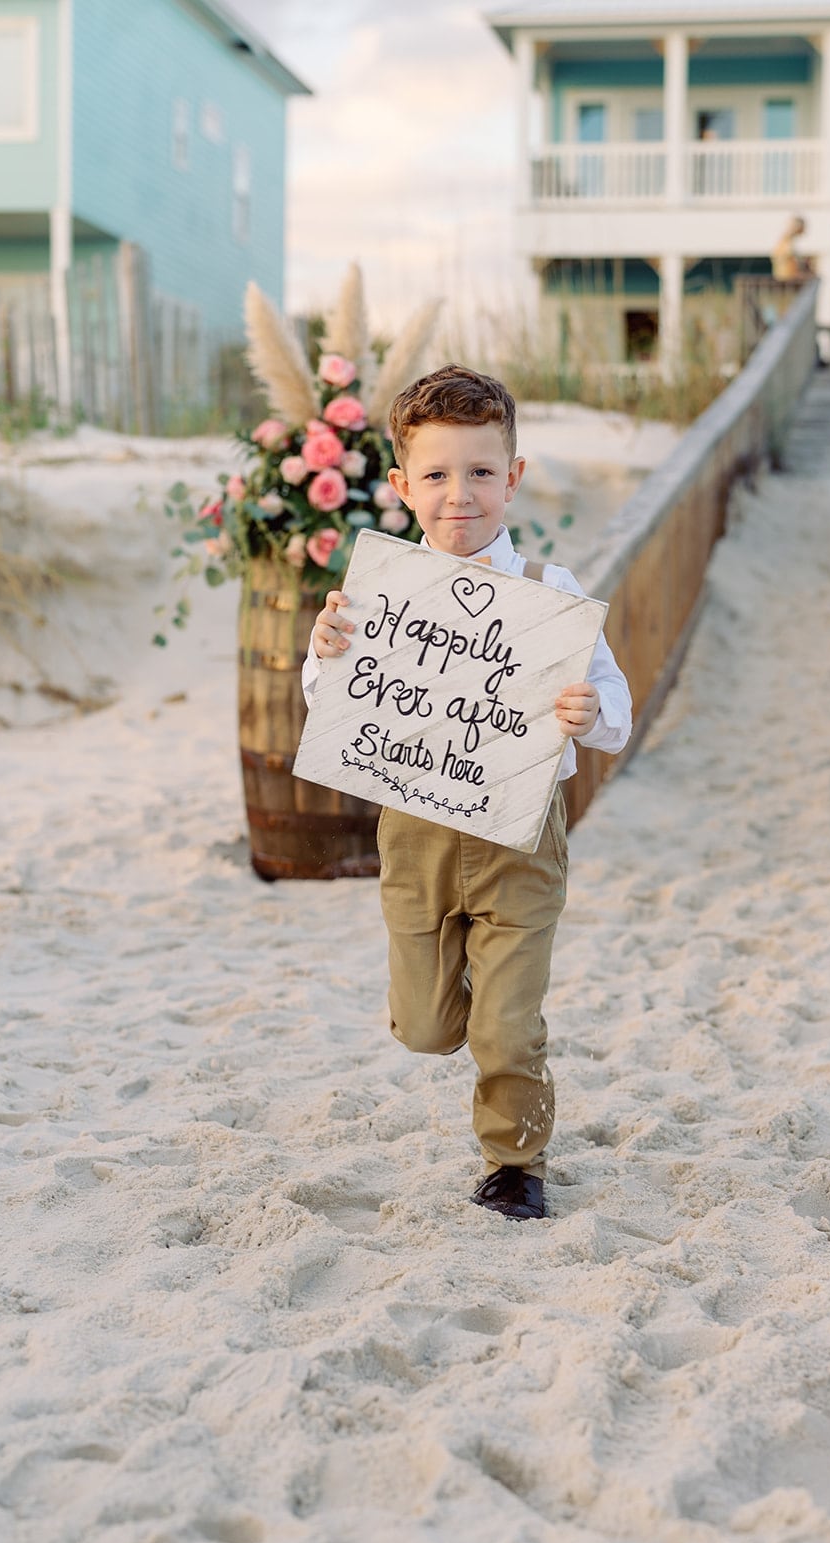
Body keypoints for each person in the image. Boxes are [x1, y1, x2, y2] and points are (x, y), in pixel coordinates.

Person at [303, 366, 632, 1221]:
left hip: (519, 836)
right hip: (413, 831)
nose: (461, 495)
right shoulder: (381, 590)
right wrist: (327, 651)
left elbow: (616, 719)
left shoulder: (550, 596)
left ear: (512, 479)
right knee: (426, 1027)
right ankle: (461, 1023)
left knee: (506, 1024)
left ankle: (515, 1162)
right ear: (403, 486)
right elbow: (328, 699)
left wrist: (587, 710)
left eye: (481, 473)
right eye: (438, 475)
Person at [771, 216, 812, 283]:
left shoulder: (787, 240)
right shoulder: (785, 241)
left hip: (788, 276)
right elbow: (782, 256)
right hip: (786, 278)